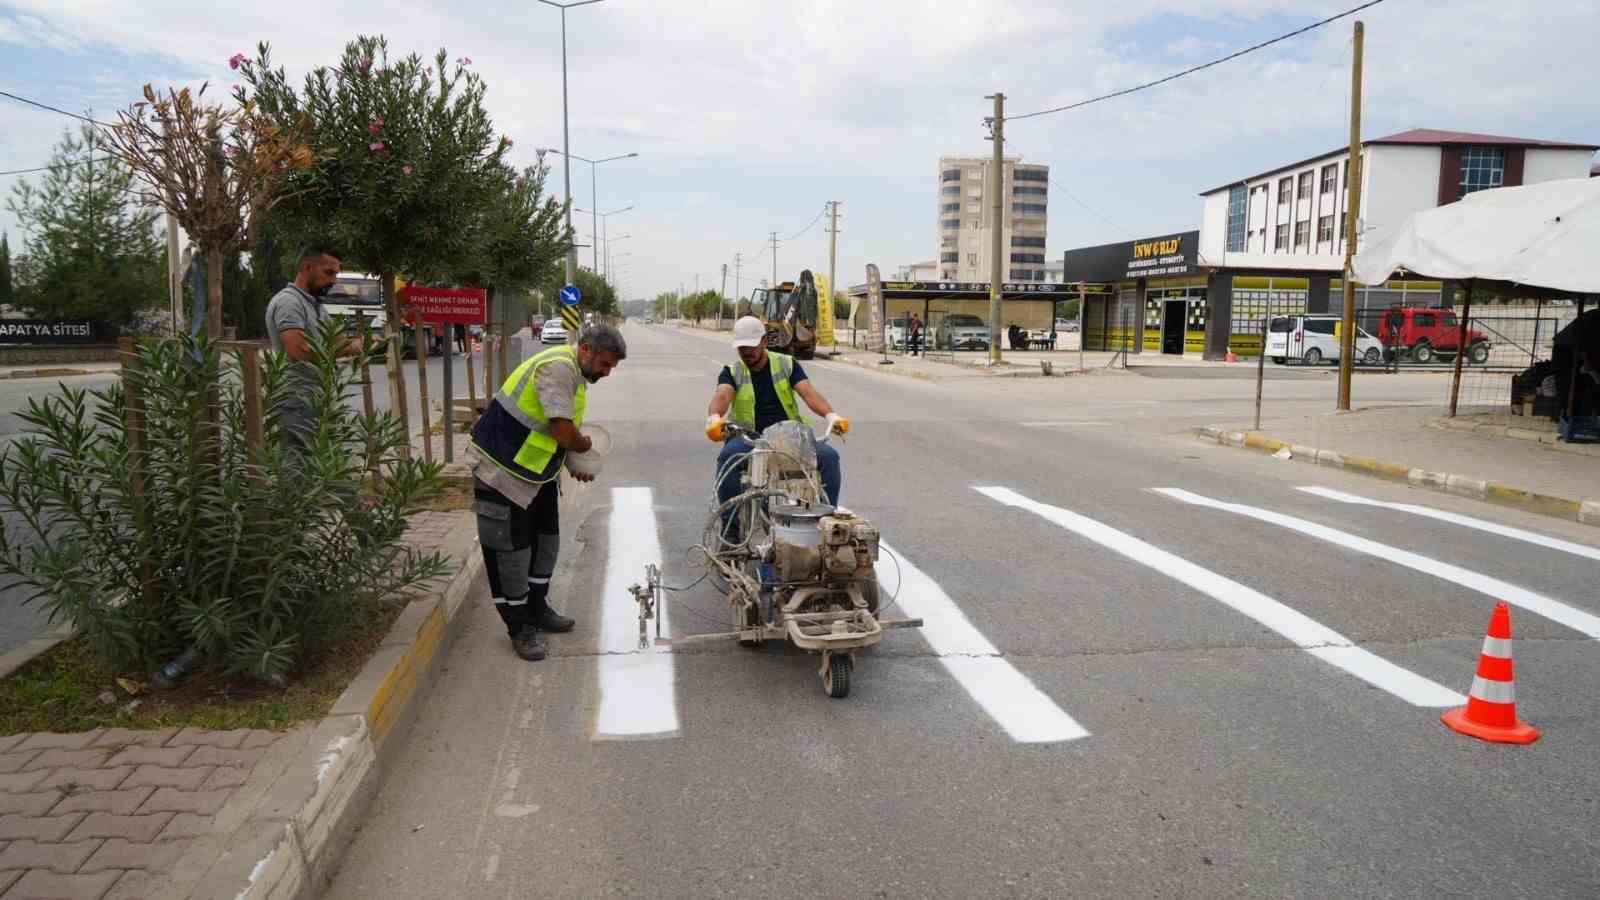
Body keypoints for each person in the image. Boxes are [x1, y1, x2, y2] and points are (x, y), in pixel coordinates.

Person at [467, 324, 626, 661]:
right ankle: (519, 627)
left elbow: (551, 432)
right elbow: (563, 430)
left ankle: (537, 609)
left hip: (535, 473)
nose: (607, 372)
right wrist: (582, 446)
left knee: (545, 544)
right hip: (501, 470)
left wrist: (572, 463)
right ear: (585, 349)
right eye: (605, 364)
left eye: (612, 367)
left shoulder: (577, 377)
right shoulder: (558, 368)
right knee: (511, 553)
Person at [704, 316, 848, 538]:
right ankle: (730, 532)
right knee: (728, 459)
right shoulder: (732, 371)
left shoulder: (786, 364)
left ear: (764, 342)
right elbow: (722, 395)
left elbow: (808, 393)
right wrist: (714, 417)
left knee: (829, 457)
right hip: (747, 438)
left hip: (788, 436)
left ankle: (825, 526)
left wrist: (831, 415)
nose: (747, 353)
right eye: (741, 348)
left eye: (751, 347)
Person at [265, 244, 366, 458]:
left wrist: (354, 343)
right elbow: (298, 351)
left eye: (336, 274)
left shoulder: (315, 305)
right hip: (297, 399)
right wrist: (349, 347)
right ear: (307, 267)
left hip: (318, 397)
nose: (333, 280)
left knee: (326, 465)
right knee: (298, 465)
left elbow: (336, 338)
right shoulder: (289, 303)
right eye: (328, 272)